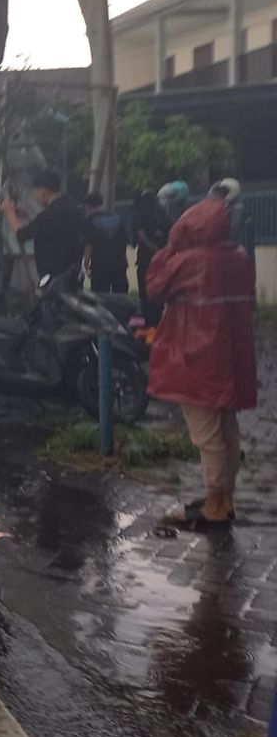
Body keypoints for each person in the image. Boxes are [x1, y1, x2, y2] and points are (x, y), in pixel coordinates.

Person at [148, 196, 256, 530]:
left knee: (206, 435)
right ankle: (225, 499)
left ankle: (213, 504)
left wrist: (170, 248)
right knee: (227, 429)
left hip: (198, 358)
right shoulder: (239, 257)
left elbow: (154, 287)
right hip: (232, 355)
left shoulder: (189, 261)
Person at [1, 170, 85, 287]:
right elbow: (50, 228)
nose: (35, 196)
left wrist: (10, 212)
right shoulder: (74, 209)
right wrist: (28, 216)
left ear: (43, 192)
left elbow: (22, 235)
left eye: (35, 192)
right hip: (73, 273)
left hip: (54, 277)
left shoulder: (49, 215)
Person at [132, 190, 170, 327]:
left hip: (145, 259)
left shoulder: (140, 215)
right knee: (161, 290)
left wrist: (153, 249)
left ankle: (149, 322)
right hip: (163, 259)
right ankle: (161, 319)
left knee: (145, 290)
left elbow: (140, 236)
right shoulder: (164, 215)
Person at [81, 192, 129, 293]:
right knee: (121, 296)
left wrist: (86, 264)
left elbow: (89, 245)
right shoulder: (117, 218)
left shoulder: (89, 221)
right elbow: (125, 240)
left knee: (101, 297)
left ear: (88, 206)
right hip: (119, 263)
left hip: (100, 265)